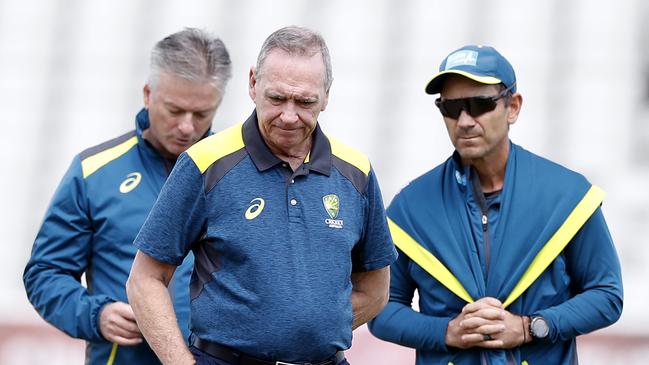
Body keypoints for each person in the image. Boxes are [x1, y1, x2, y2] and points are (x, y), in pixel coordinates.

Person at [126, 25, 398, 365]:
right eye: (277, 98)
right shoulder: (204, 163)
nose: (288, 115)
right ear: (253, 83)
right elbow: (145, 279)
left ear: (326, 95)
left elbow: (376, 291)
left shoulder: (356, 172)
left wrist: (309, 330)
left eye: (304, 101)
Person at [368, 45, 623, 364]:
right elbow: (381, 308)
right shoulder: (410, 207)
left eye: (479, 104)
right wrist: (446, 331)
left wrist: (531, 327)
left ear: (513, 107)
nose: (464, 121)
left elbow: (607, 296)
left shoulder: (567, 195)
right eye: (450, 107)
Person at [23, 28, 232, 364]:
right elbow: (45, 273)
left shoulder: (238, 172)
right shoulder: (94, 172)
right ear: (148, 93)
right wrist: (95, 315)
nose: (187, 127)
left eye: (202, 114)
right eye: (175, 110)